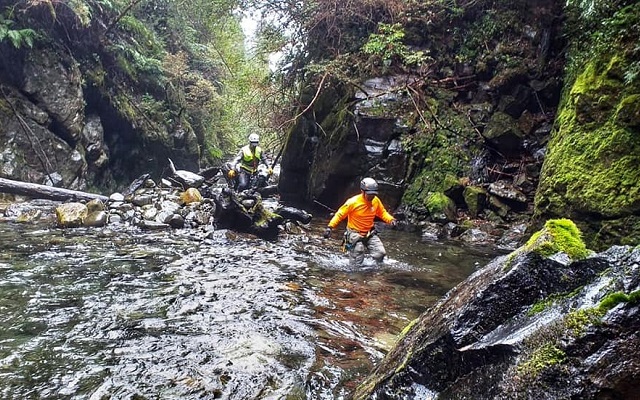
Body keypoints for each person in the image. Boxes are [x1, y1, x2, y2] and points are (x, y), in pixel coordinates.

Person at [323, 177, 397, 266]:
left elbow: (382, 213)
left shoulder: (376, 200)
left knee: (380, 253)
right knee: (358, 252)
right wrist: (329, 227)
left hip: (369, 232)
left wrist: (391, 220)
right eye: (369, 194)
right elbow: (340, 214)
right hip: (354, 233)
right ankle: (355, 272)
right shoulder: (352, 202)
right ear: (362, 191)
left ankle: (377, 271)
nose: (371, 196)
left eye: (373, 194)